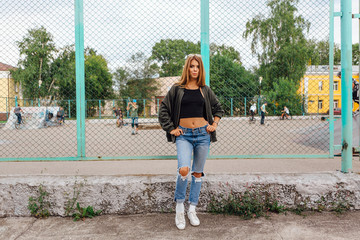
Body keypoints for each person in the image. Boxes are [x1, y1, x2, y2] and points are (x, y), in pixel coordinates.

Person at [159, 54, 224, 230]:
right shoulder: (177, 89)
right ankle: (179, 208)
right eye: (191, 66)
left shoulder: (205, 90)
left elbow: (218, 109)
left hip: (203, 134)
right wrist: (171, 128)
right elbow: (163, 109)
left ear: (200, 69)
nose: (194, 69)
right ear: (187, 68)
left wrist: (214, 124)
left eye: (197, 67)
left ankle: (192, 209)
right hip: (184, 135)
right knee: (183, 170)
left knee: (197, 173)